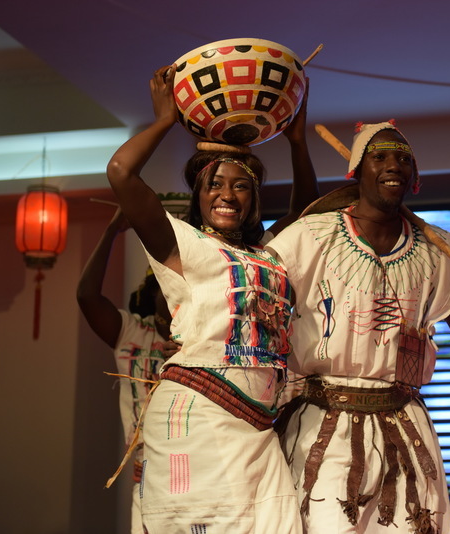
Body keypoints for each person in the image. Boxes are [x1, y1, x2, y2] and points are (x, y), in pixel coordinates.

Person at [106, 64, 317, 533]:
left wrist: (297, 141)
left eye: (240, 185)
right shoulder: (183, 244)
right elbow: (121, 172)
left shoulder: (270, 253)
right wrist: (165, 120)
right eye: (214, 184)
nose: (227, 195)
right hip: (199, 418)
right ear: (198, 195)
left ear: (255, 197)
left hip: (259, 427)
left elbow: (306, 214)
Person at [266, 121, 450, 534]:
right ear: (357, 170)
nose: (394, 165)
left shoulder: (437, 251)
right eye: (380, 157)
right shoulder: (310, 236)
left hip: (404, 424)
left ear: (414, 177)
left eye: (403, 159)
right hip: (325, 424)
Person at [77, 207, 178, 534]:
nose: (170, 294)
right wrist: (112, 231)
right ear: (151, 292)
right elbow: (87, 295)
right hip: (147, 469)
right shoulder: (134, 333)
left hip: (198, 460)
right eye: (163, 285)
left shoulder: (204, 338)